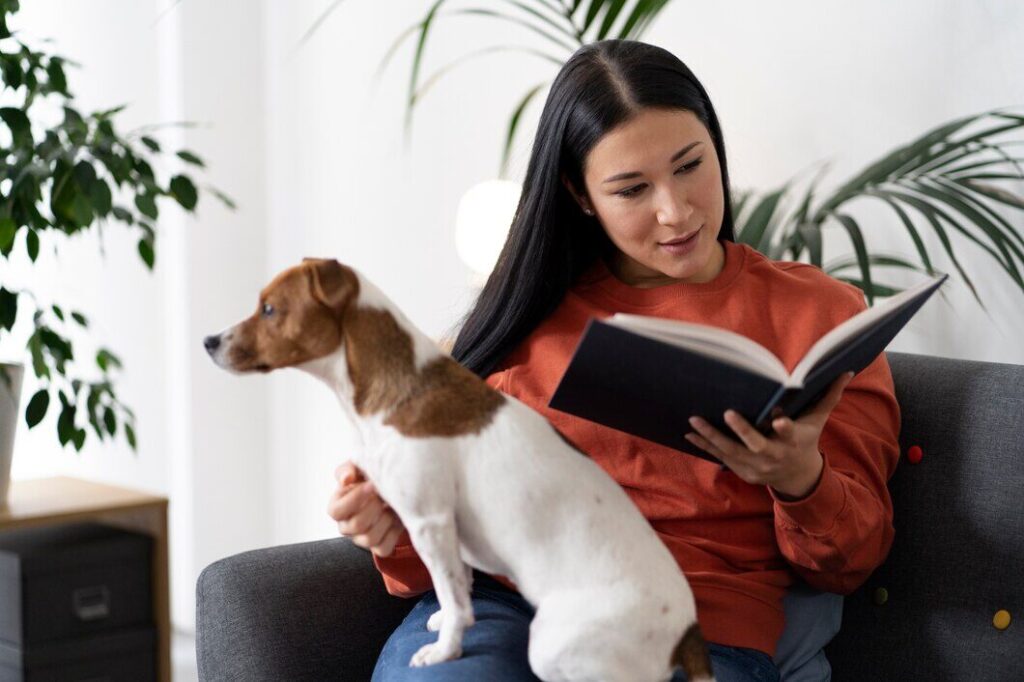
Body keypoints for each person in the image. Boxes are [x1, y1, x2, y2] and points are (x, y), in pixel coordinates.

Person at [327, 39, 900, 682]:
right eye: (631, 189)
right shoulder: (519, 318)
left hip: (692, 628)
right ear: (579, 194)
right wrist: (386, 517)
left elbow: (853, 557)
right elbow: (426, 539)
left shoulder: (822, 315)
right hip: (502, 601)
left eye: (690, 165)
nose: (675, 211)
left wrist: (801, 478)